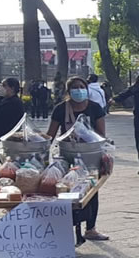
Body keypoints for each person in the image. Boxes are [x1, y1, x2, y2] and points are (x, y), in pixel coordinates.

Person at [47, 76, 109, 245]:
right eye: (75, 87)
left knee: (91, 191)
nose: (79, 90)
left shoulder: (95, 108)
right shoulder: (60, 109)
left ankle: (91, 228)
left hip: (90, 155)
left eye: (82, 87)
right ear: (69, 91)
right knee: (66, 190)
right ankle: (69, 226)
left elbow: (101, 134)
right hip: (67, 155)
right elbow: (50, 135)